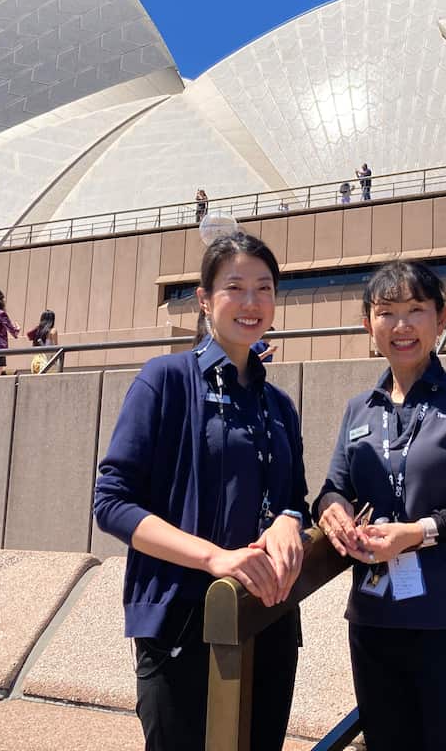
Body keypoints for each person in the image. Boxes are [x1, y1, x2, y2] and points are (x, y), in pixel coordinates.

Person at [94, 231, 309, 751]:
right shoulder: (165, 380)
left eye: (264, 288)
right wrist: (215, 559)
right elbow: (112, 502)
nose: (252, 302)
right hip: (181, 616)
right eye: (235, 287)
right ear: (205, 299)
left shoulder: (278, 404)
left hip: (267, 616)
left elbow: (294, 499)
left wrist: (287, 519)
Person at [314, 260, 446, 751]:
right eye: (386, 312)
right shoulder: (358, 408)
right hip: (374, 621)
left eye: (416, 310)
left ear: (441, 318)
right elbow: (333, 486)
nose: (401, 325)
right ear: (368, 325)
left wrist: (420, 531)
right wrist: (332, 509)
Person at [27, 310, 59, 374]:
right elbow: (56, 347)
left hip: (37, 362)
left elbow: (28, 334)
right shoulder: (53, 331)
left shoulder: (38, 331)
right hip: (48, 363)